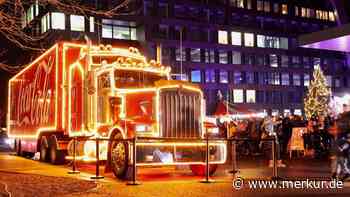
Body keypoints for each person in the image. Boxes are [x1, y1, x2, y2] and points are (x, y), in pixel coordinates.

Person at [330, 112, 350, 181]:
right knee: (339, 159)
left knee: (339, 159)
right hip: (341, 144)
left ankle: (339, 174)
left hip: (343, 145)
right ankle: (338, 174)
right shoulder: (342, 126)